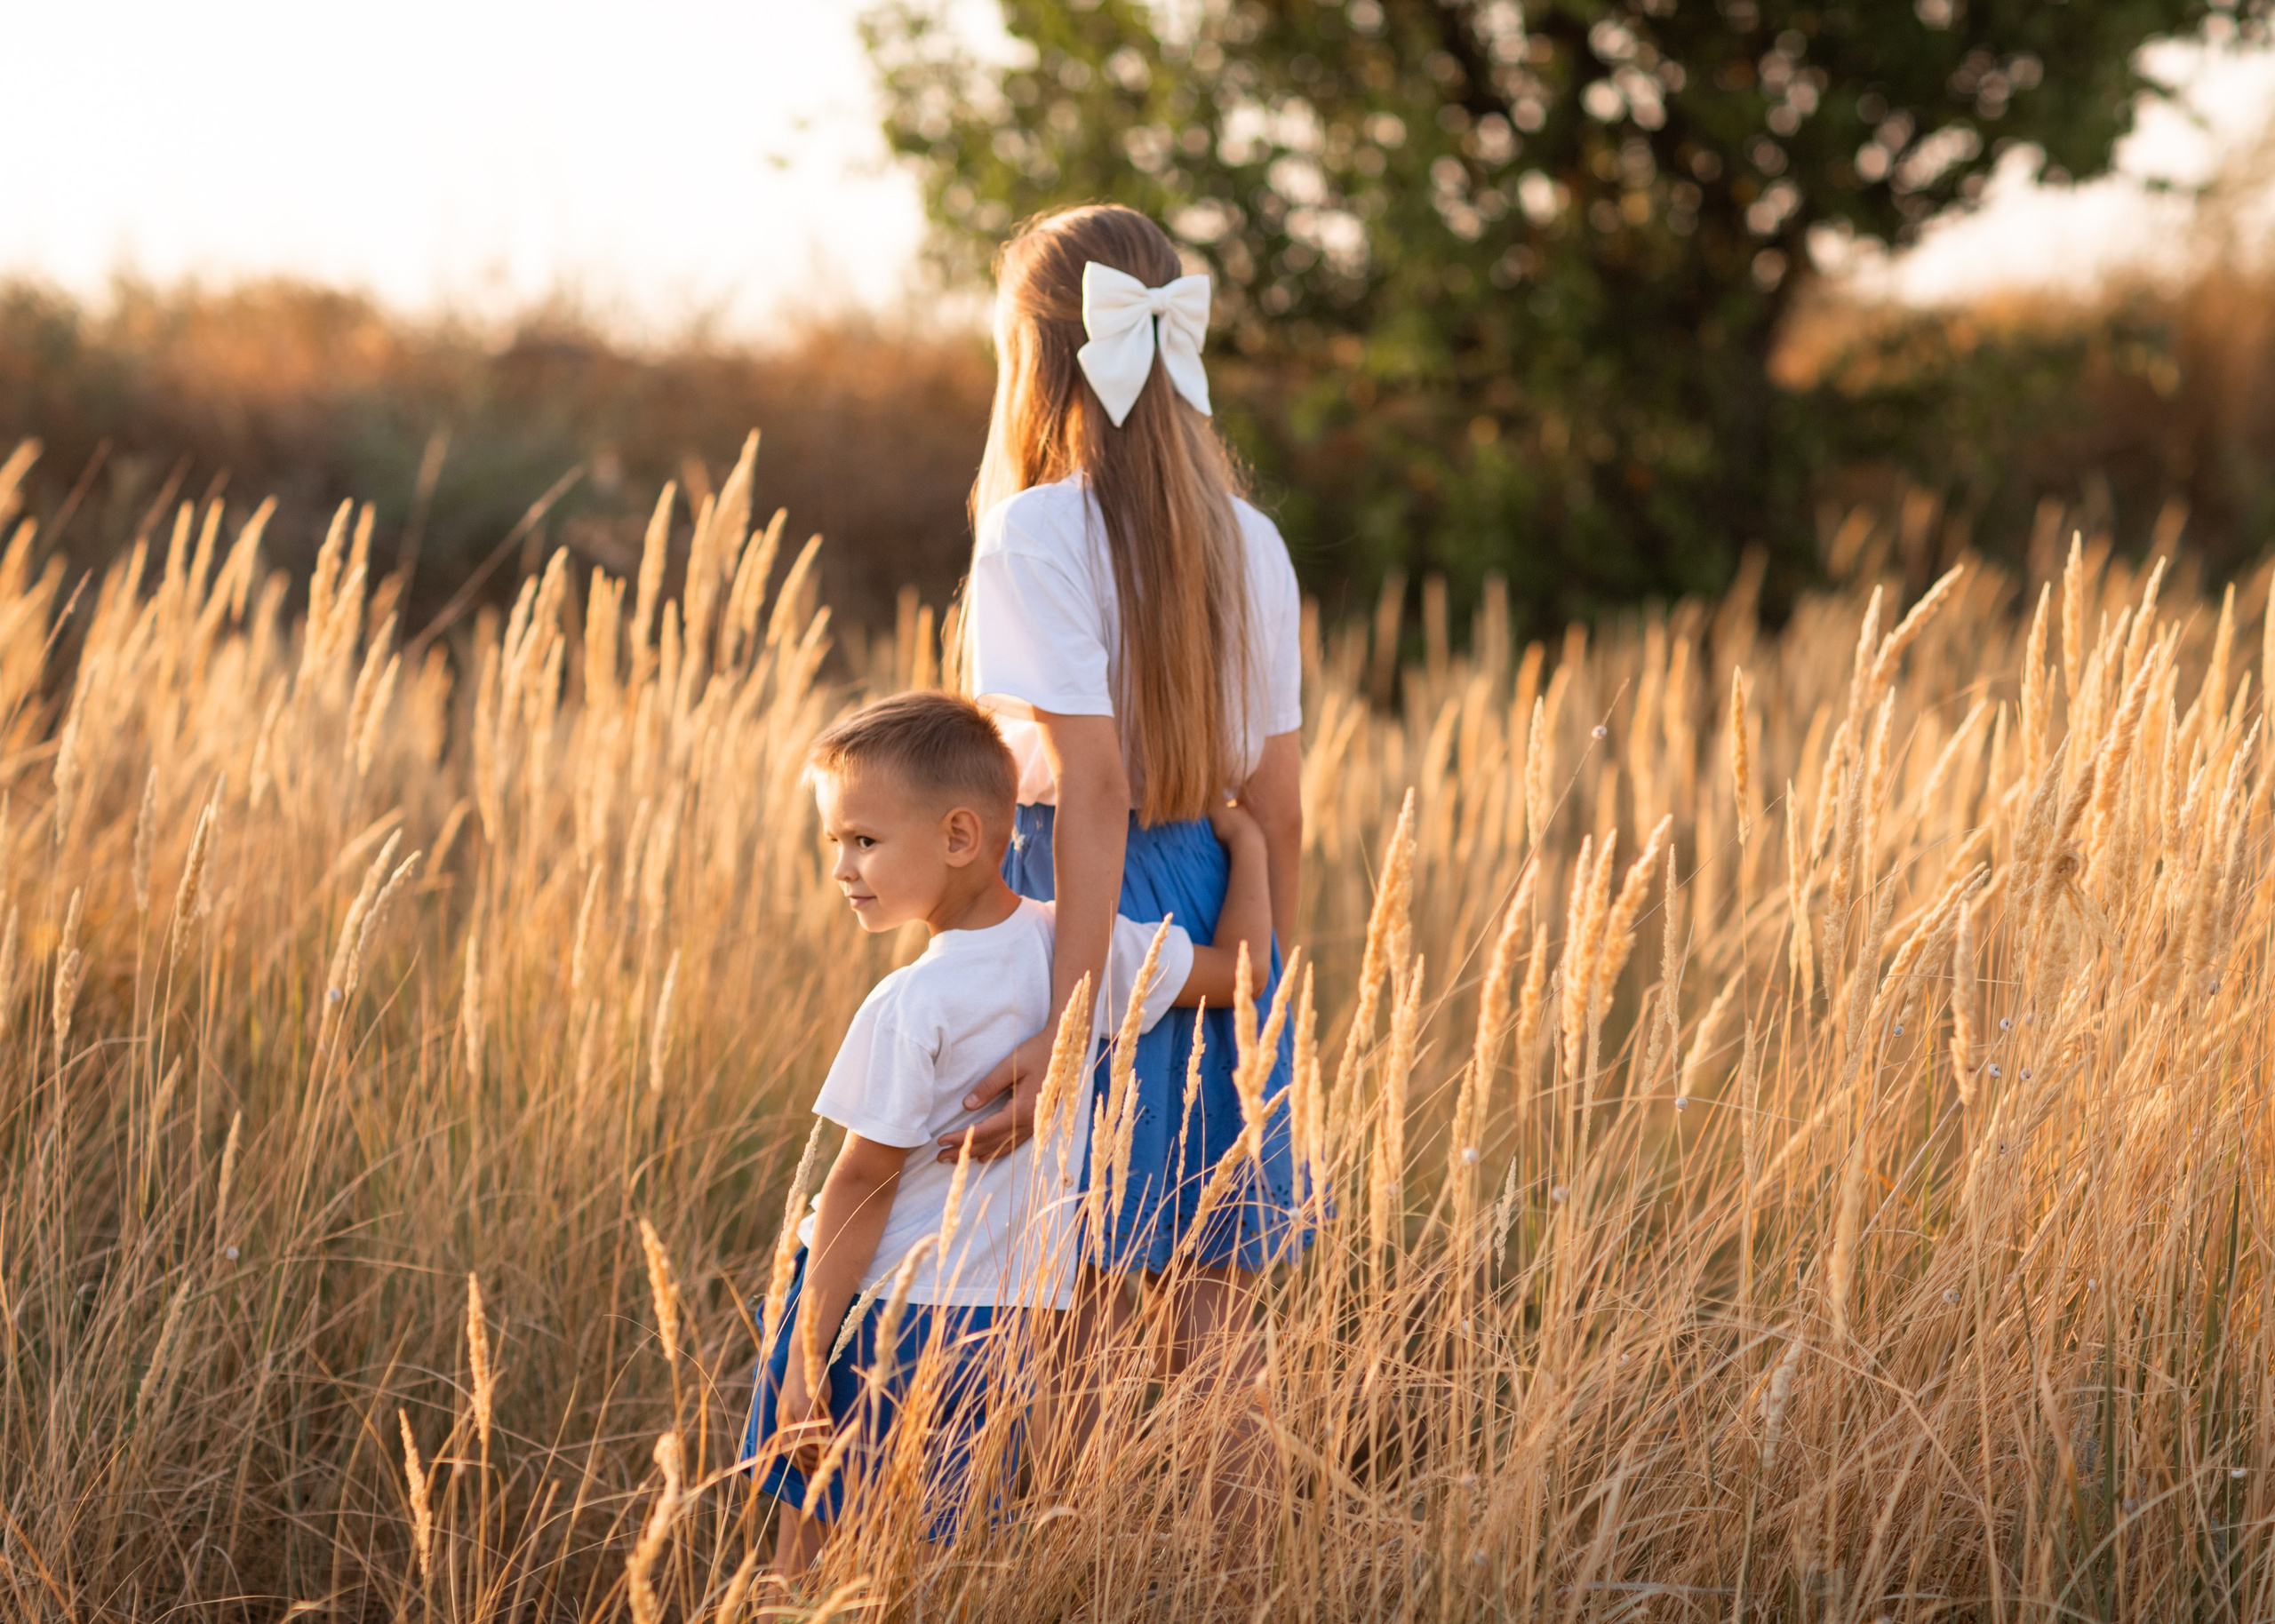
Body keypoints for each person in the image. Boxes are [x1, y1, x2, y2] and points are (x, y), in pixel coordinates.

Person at [746, 690, 1275, 1572]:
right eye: (835, 841)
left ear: (960, 836)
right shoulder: (1089, 954)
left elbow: (859, 1184)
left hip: (882, 1312)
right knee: (928, 1573)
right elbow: (1246, 973)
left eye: (863, 840)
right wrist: (1248, 846)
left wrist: (807, 1357)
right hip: (997, 1325)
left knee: (809, 1564)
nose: (841, 867)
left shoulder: (909, 1002)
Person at [946, 204, 1307, 1382]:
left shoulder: (1033, 531)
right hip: (1215, 902)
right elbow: (1280, 806)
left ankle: (1088, 1526)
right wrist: (1271, 1009)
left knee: (1075, 1310)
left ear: (1032, 355)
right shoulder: (1249, 538)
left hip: (1079, 912)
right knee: (1218, 1325)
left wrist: (1065, 1029)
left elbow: (1092, 788)